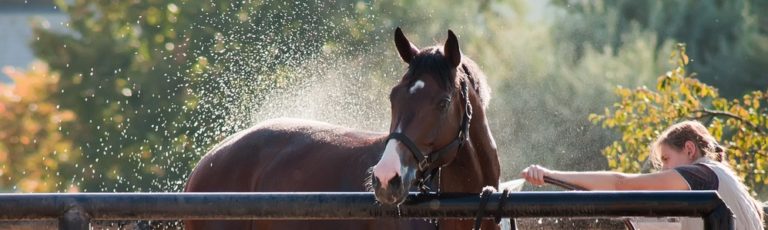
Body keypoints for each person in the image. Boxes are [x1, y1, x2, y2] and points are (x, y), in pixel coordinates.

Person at [521, 120, 764, 229]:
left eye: (667, 159)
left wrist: (551, 175)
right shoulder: (724, 182)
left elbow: (620, 184)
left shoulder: (700, 174)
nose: (665, 171)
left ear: (689, 149)